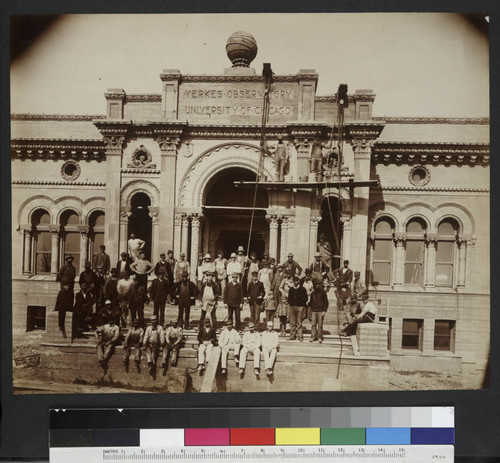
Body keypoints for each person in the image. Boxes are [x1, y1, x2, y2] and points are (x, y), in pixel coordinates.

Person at [287, 275, 308, 341]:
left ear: (298, 282)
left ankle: (300, 336)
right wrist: (290, 303)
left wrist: (301, 304)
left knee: (299, 322)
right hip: (292, 307)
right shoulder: (291, 289)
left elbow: (306, 298)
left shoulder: (302, 289)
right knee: (292, 322)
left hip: (299, 307)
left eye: (296, 281)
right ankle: (292, 336)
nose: (295, 283)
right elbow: (289, 298)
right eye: (294, 281)